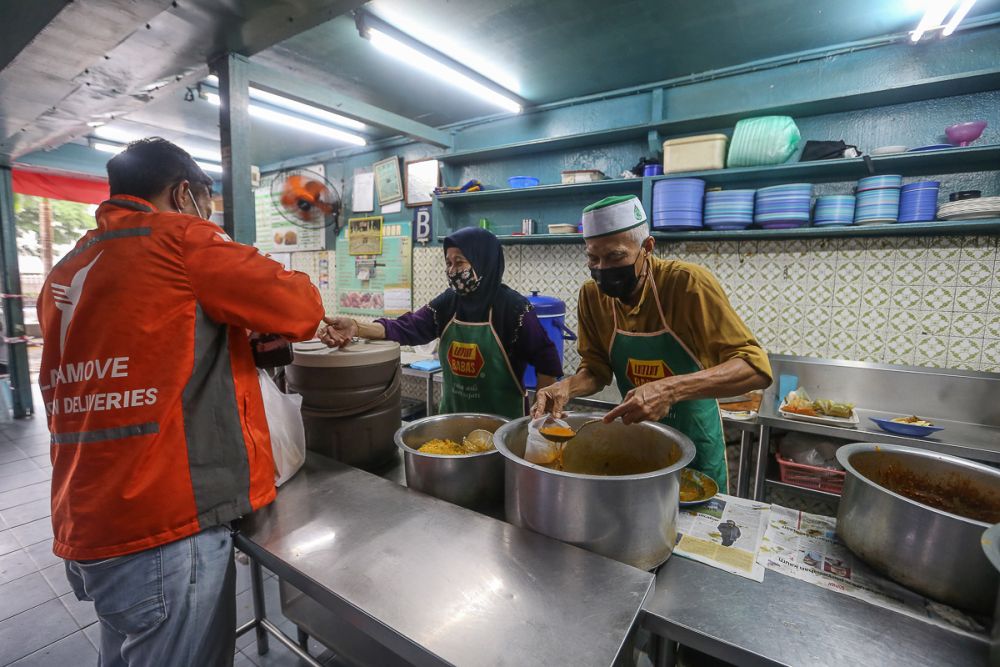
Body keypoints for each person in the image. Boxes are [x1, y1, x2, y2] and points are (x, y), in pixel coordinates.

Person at [36, 138, 325, 667]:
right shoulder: (181, 240)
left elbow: (147, 354)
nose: (209, 215)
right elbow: (301, 306)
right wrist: (221, 247)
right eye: (206, 203)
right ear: (184, 193)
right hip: (163, 524)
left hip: (87, 514)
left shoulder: (70, 267)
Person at [532, 195, 772, 489]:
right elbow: (596, 370)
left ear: (647, 247)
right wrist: (566, 386)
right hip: (636, 441)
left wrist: (670, 389)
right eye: (593, 258)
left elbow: (755, 367)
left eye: (616, 257)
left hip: (696, 447)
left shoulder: (686, 284)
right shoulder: (592, 296)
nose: (603, 269)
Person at [320, 226, 562, 419]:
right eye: (448, 263)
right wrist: (355, 326)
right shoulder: (448, 303)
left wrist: (540, 415)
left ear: (483, 261)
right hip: (453, 421)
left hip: (503, 428)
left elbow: (547, 359)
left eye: (460, 262)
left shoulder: (513, 308)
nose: (453, 270)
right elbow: (407, 328)